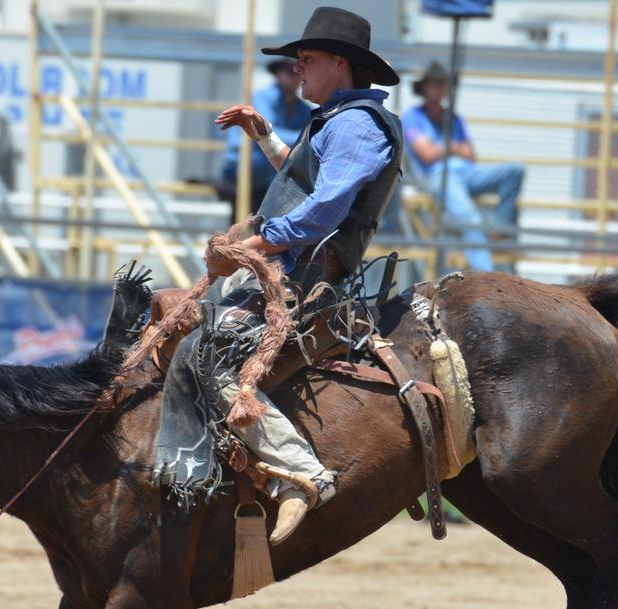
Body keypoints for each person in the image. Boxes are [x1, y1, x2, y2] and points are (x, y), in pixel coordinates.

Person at [155, 6, 403, 544]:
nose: (297, 72)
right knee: (165, 317)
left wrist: (260, 241)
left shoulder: (358, 125)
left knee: (206, 353)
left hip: (300, 279)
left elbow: (326, 206)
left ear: (341, 64)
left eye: (306, 61)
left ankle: (302, 474)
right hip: (283, 269)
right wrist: (264, 135)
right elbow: (306, 176)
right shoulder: (341, 120)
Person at [402, 61, 524, 272]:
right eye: (434, 84)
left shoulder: (454, 118)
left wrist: (443, 148)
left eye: (442, 84)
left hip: (464, 173)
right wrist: (454, 147)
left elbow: (470, 156)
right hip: (437, 176)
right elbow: (427, 156)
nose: (438, 89)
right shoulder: (412, 116)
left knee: (515, 171)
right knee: (469, 218)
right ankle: (486, 274)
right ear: (424, 88)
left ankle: (497, 229)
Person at [219, 57, 312, 216]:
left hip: (272, 174)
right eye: (290, 71)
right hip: (246, 168)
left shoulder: (303, 108)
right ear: (278, 74)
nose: (295, 75)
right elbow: (264, 131)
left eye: (299, 70)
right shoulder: (261, 98)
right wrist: (306, 137)